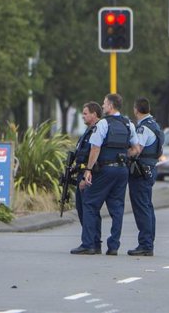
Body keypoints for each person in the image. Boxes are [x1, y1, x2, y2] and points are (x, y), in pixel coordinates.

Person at [71, 93, 140, 255]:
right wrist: (123, 156)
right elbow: (136, 149)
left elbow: (95, 148)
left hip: (104, 170)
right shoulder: (128, 124)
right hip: (122, 171)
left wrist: (88, 169)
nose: (102, 106)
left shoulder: (103, 124)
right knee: (117, 208)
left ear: (110, 105)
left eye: (104, 104)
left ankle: (89, 244)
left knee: (89, 203)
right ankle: (113, 246)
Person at [127, 97, 164, 257]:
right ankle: (148, 242)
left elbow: (136, 150)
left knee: (142, 207)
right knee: (147, 206)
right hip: (150, 169)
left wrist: (122, 154)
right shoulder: (155, 125)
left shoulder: (143, 128)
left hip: (141, 171)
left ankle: (145, 244)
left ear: (136, 109)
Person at [73, 102, 103, 249]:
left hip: (89, 174)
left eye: (85, 113)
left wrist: (86, 173)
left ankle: (89, 243)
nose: (83, 116)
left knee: (87, 209)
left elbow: (94, 152)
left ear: (94, 114)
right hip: (82, 171)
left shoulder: (97, 130)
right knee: (84, 208)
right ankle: (94, 241)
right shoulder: (88, 131)